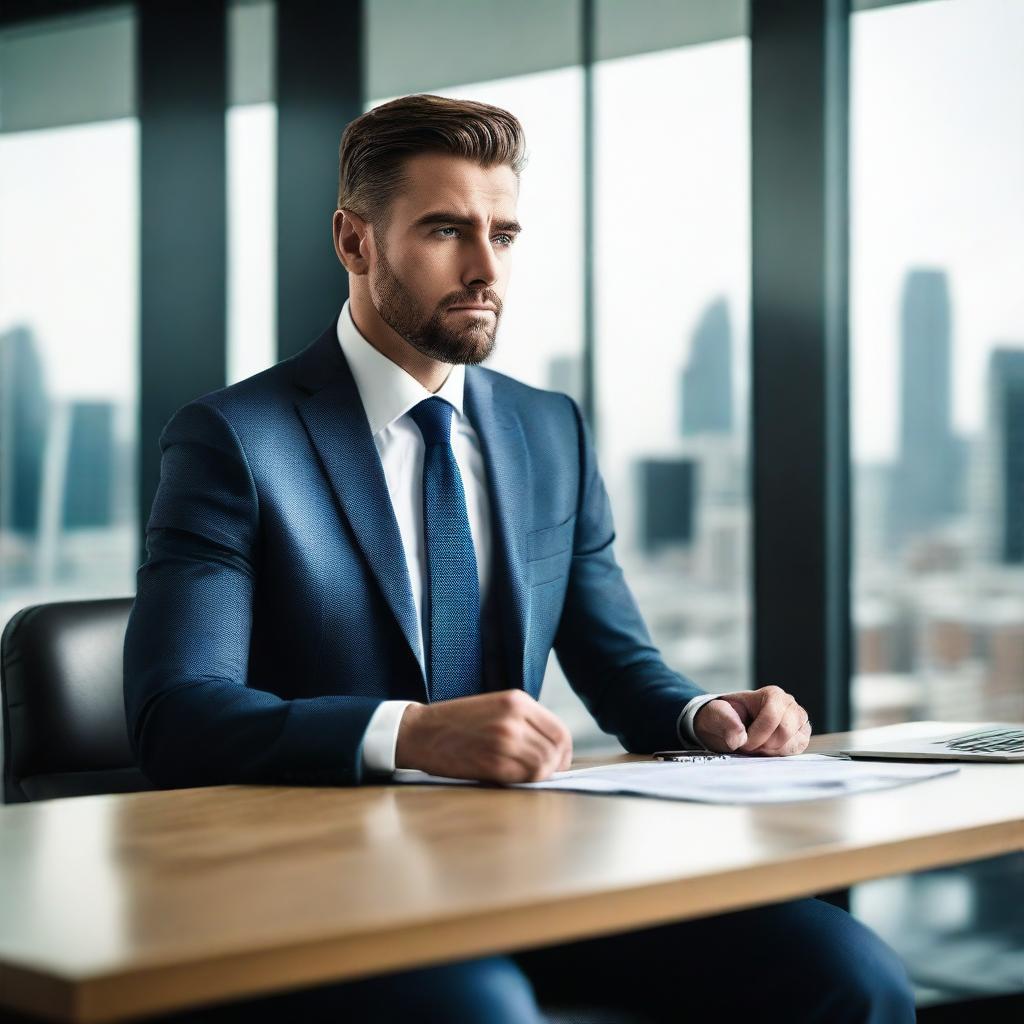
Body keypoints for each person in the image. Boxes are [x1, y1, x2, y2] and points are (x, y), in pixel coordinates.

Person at [124, 94, 914, 1023]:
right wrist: (411, 733)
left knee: (849, 973)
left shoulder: (550, 430)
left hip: (528, 864)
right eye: (447, 230)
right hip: (322, 884)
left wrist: (705, 714)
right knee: (484, 1011)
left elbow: (618, 669)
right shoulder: (235, 438)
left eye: (504, 232)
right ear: (355, 242)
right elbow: (178, 714)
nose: (485, 268)